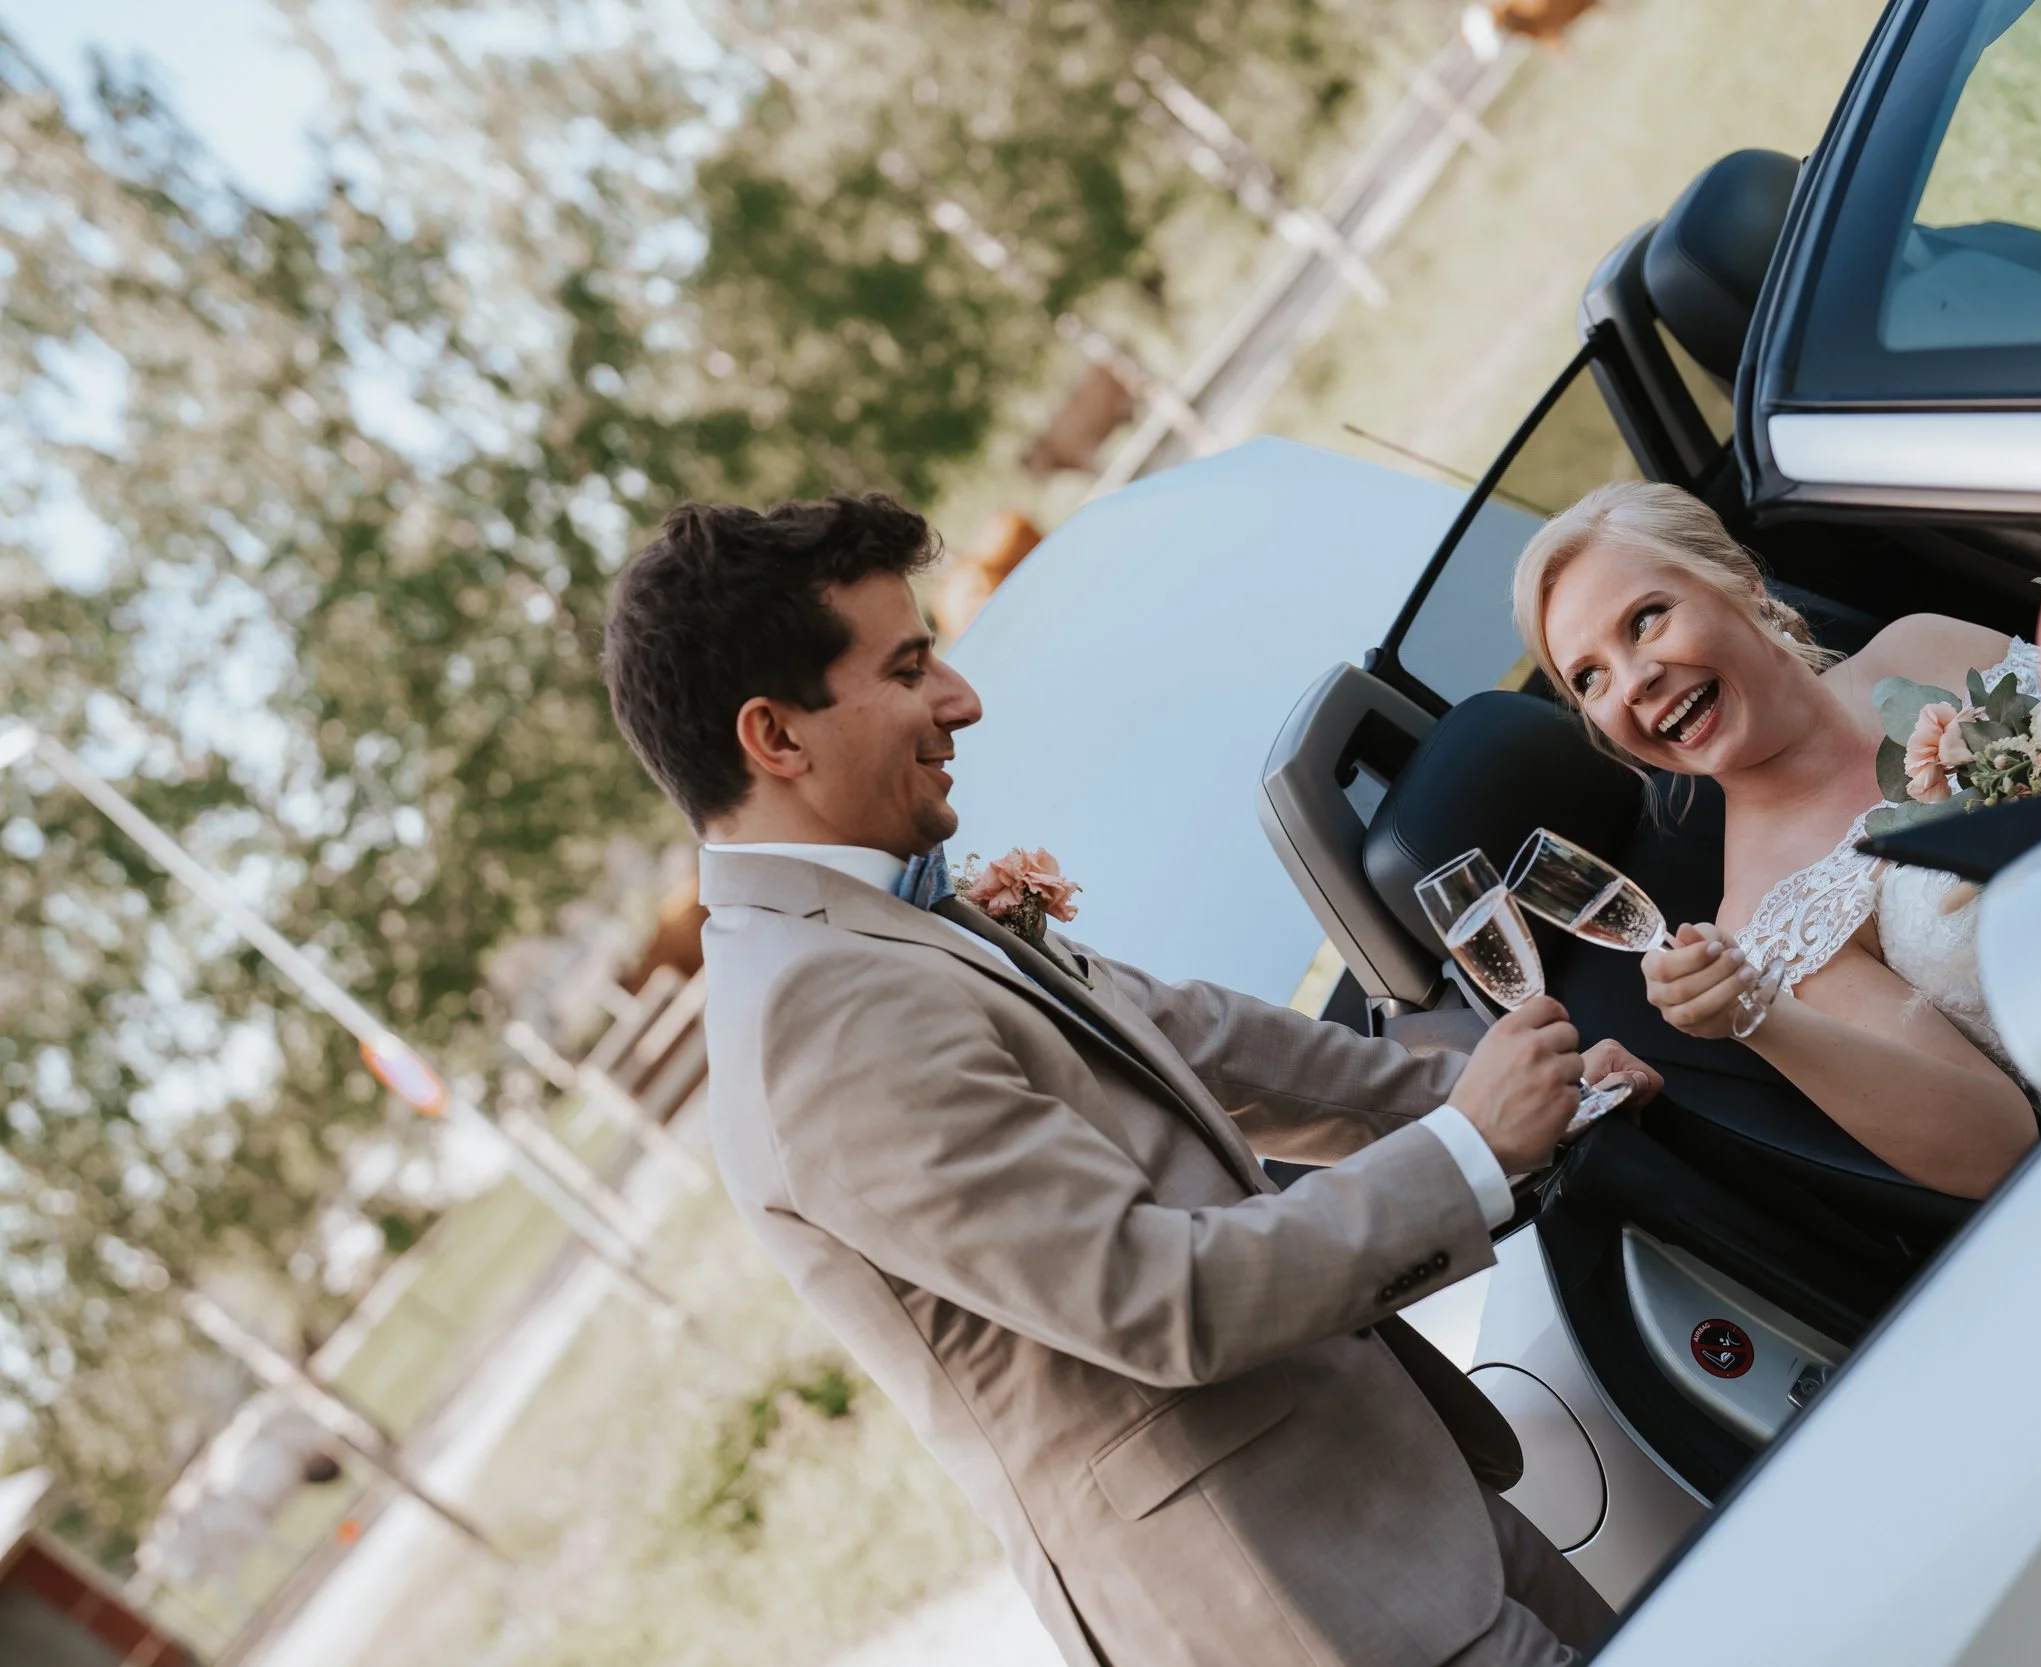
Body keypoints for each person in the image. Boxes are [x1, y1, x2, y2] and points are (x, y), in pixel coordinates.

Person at [601, 494, 1661, 1667]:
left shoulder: (879, 919)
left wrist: (1524, 1083)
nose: (962, 699)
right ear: (776, 737)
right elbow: (1160, 1298)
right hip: (1309, 1605)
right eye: (909, 669)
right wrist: (1468, 1148)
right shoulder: (819, 1013)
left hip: (1404, 1503)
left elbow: (1193, 1040)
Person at [1514, 481, 2039, 1200]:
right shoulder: (1767, 923)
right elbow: (1997, 1146)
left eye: (1646, 620)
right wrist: (1754, 1019)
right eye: (1590, 678)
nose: (1633, 681)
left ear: (1745, 585)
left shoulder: (1926, 644)